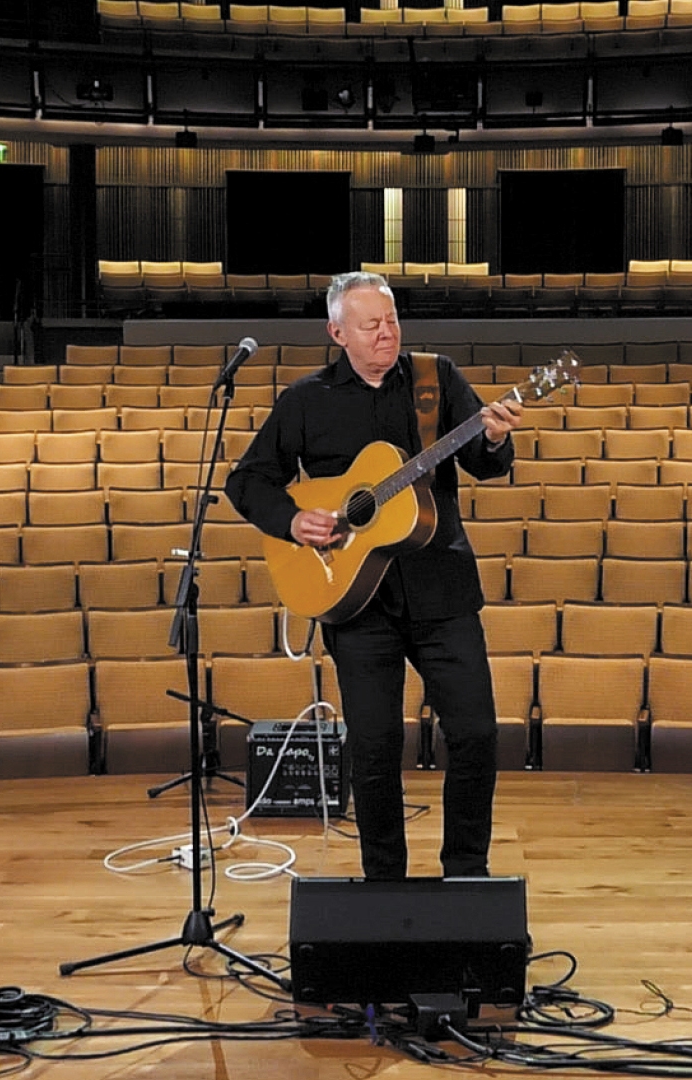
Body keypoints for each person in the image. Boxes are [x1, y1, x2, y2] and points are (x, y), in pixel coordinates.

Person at [225, 271, 524, 880]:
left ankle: (467, 873)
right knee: (374, 750)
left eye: (391, 320)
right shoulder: (306, 400)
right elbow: (247, 481)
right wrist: (293, 521)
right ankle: (384, 884)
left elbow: (483, 464)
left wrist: (492, 439)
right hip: (355, 600)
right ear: (338, 332)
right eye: (371, 325)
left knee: (474, 734)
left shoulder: (434, 379)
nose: (387, 333)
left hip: (441, 586)